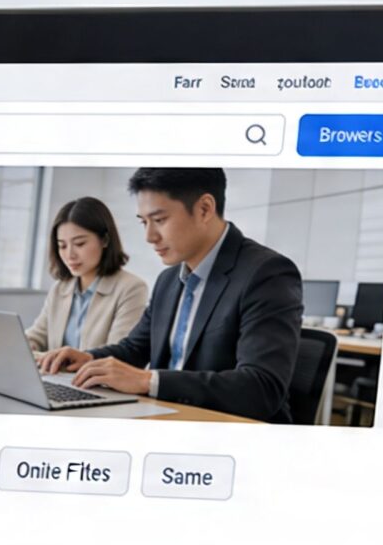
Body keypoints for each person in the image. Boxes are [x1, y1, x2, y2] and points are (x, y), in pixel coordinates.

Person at [39, 166, 301, 423]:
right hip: (168, 418)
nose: (149, 236)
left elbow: (261, 388)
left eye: (159, 220)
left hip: (228, 430)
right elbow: (135, 348)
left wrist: (148, 380)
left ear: (204, 209)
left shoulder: (267, 273)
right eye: (144, 222)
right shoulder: (169, 280)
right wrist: (89, 358)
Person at [21, 196, 151, 357]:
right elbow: (38, 335)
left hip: (93, 374)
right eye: (62, 246)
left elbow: (118, 355)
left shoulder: (131, 288)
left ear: (105, 240)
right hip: (56, 373)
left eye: (79, 244)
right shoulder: (60, 288)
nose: (70, 255)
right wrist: (23, 345)